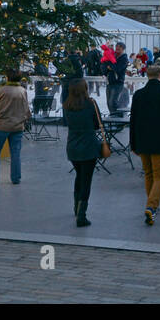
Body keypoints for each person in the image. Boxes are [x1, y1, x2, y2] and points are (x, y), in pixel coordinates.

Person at [130, 64, 160, 225]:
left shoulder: (138, 94)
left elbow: (133, 121)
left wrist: (133, 143)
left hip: (142, 141)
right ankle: (151, 206)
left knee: (149, 173)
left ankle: (152, 204)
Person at [63, 78, 102, 227]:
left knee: (79, 176)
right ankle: (82, 214)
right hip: (89, 146)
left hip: (72, 145)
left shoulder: (67, 105)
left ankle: (76, 206)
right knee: (87, 179)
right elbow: (98, 125)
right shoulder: (91, 104)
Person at [0, 72, 31, 184]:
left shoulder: (1, 90)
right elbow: (26, 108)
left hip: (1, 126)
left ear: (8, 78)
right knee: (15, 153)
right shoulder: (22, 91)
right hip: (18, 126)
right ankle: (16, 178)